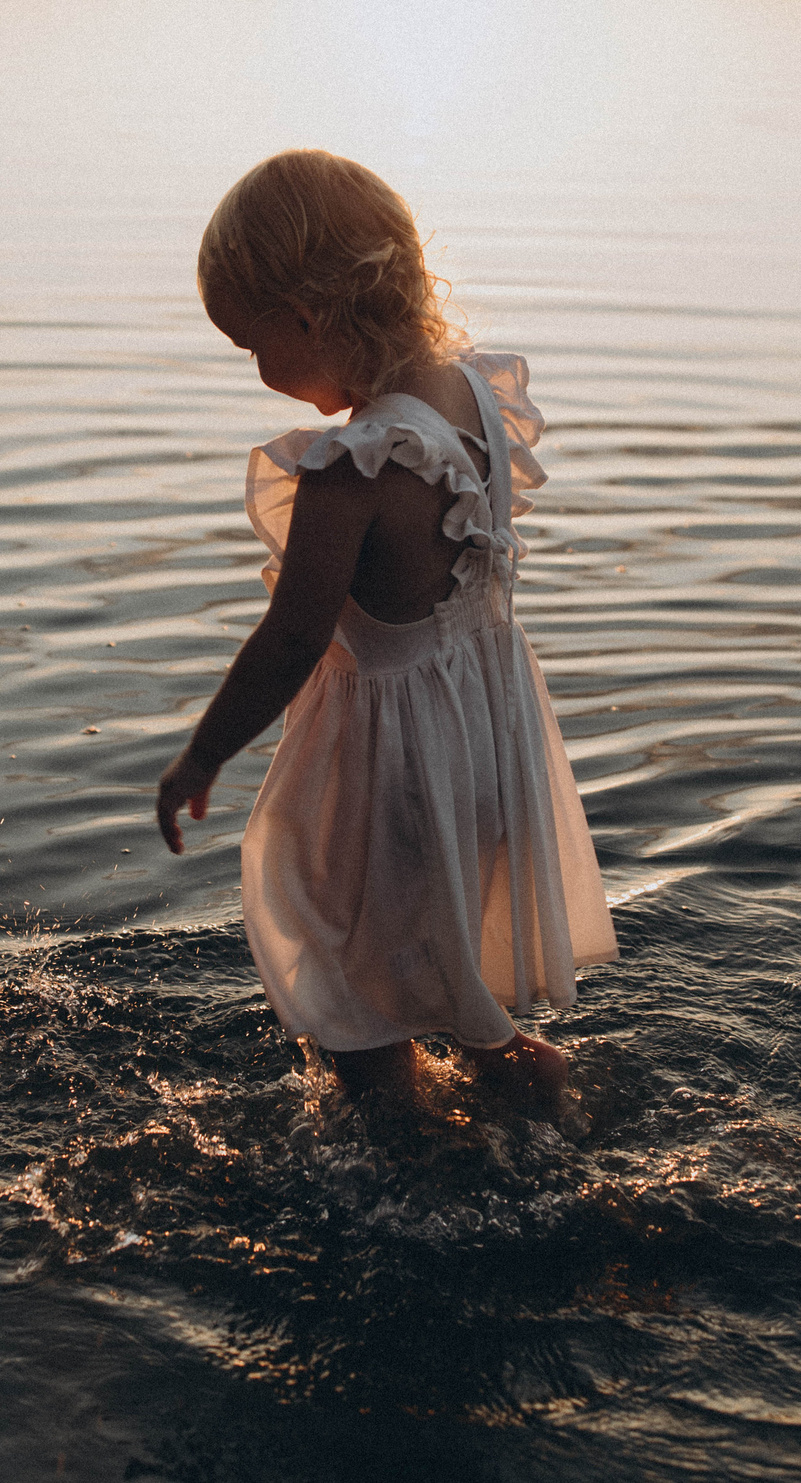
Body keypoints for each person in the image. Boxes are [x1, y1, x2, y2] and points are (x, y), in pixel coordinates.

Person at [155, 150, 617, 1109]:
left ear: (308, 318)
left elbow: (292, 639)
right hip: (486, 750)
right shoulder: (475, 400)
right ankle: (529, 1088)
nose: (258, 369)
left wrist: (200, 758)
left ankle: (400, 1163)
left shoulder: (350, 468)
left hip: (390, 776)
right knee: (439, 965)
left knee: (351, 993)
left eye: (253, 344)